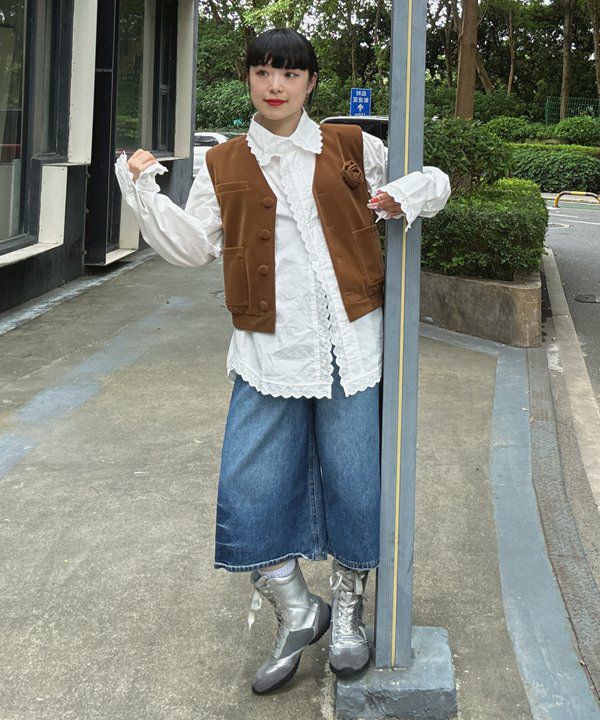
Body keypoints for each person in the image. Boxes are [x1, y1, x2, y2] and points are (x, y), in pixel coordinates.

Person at [114, 27, 450, 695]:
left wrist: (407, 195)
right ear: (248, 78)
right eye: (264, 72)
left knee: (356, 483)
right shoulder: (224, 162)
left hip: (351, 348)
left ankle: (348, 608)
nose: (276, 86)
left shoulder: (352, 145)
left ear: (310, 83)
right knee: (248, 489)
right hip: (269, 353)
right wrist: (143, 192)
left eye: (290, 74)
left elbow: (434, 179)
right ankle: (299, 609)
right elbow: (192, 247)